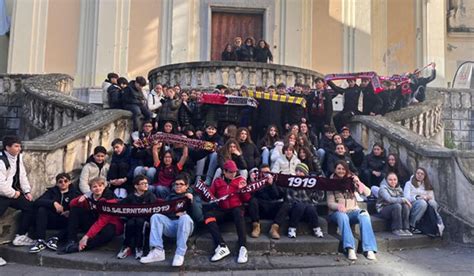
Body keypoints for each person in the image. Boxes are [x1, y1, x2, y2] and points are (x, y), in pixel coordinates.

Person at [140, 174, 194, 267]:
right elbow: (165, 211)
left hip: (186, 225)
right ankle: (157, 251)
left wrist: (192, 201)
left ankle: (179, 254)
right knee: (156, 216)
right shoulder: (170, 197)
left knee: (184, 218)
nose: (178, 186)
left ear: (186, 186)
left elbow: (198, 215)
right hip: (171, 224)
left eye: (181, 184)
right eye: (176, 184)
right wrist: (174, 213)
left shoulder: (191, 195)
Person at [327, 161, 377, 261]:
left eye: (343, 169)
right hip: (337, 213)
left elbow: (367, 193)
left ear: (346, 170)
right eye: (339, 169)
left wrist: (358, 183)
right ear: (335, 170)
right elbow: (330, 203)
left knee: (364, 215)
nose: (341, 171)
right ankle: (350, 248)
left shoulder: (351, 181)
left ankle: (369, 249)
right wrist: (338, 206)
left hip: (352, 210)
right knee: (342, 216)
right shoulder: (331, 182)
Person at [61, 177, 123, 254]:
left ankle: (79, 247)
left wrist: (86, 236)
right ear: (90, 189)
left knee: (108, 232)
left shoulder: (109, 198)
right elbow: (72, 204)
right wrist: (83, 197)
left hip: (110, 224)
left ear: (104, 187)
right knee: (75, 210)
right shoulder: (89, 196)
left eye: (100, 186)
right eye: (95, 186)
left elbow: (102, 221)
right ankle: (71, 240)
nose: (98, 188)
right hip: (94, 220)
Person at [204, 160, 250, 263]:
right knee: (208, 216)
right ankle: (221, 245)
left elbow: (247, 199)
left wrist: (243, 190)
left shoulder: (240, 180)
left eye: (234, 171)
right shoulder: (218, 181)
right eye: (230, 171)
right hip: (223, 210)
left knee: (239, 212)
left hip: (236, 209)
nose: (232, 174)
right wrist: (204, 191)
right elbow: (210, 196)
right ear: (224, 171)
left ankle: (243, 247)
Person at [29, 173, 82, 253]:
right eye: (60, 182)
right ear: (57, 183)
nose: (63, 183)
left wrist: (70, 212)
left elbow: (82, 206)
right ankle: (40, 241)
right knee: (41, 209)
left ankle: (55, 238)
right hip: (53, 219)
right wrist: (53, 203)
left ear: (69, 182)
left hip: (66, 221)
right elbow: (37, 202)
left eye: (65, 181)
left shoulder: (75, 193)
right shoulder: (51, 192)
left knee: (77, 217)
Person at [0, 136, 34, 253]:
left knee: (29, 206)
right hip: (3, 194)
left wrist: (27, 191)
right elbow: (0, 185)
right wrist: (14, 193)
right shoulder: (1, 161)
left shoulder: (18, 157)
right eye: (16, 146)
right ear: (7, 147)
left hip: (11, 193)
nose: (19, 148)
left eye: (20, 146)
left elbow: (22, 175)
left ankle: (20, 236)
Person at [117, 175, 156, 260]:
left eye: (146, 183)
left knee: (140, 222)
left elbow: (154, 209)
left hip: (145, 219)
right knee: (129, 223)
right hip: (132, 218)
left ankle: (139, 248)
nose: (146, 185)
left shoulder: (150, 195)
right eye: (142, 183)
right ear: (136, 186)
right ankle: (126, 247)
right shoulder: (131, 196)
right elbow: (120, 206)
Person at [248, 165, 288, 239]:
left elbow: (277, 195)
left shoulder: (274, 181)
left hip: (272, 206)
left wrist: (271, 185)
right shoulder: (256, 181)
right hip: (260, 208)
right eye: (263, 173)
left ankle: (275, 228)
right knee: (253, 201)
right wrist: (254, 184)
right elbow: (251, 197)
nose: (266, 175)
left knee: (285, 204)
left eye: (267, 173)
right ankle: (256, 226)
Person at [286, 163, 324, 239]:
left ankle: (316, 228)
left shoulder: (310, 183)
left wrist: (320, 189)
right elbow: (289, 199)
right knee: (300, 206)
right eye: (297, 171)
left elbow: (317, 199)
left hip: (308, 210)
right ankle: (292, 228)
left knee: (311, 208)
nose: (298, 173)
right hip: (295, 210)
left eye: (300, 171)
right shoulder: (292, 183)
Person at [403, 167, 444, 235]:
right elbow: (406, 198)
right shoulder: (409, 183)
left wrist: (428, 198)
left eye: (422, 174)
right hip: (412, 204)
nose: (420, 175)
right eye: (418, 173)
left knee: (433, 203)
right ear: (415, 174)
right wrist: (418, 197)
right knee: (422, 203)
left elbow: (432, 199)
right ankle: (412, 225)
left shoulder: (427, 185)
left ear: (425, 176)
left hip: (426, 205)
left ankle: (434, 224)